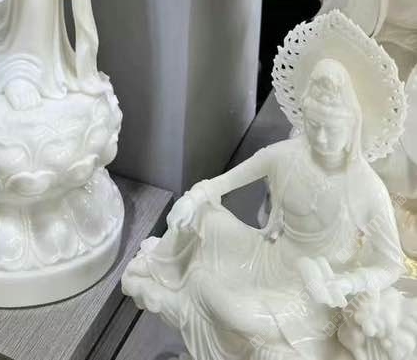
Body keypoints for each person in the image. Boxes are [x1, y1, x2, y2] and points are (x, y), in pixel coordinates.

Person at [123, 55, 403, 359]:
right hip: (266, 255)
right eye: (313, 126)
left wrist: (350, 281)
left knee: (231, 309)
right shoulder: (287, 156)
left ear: (351, 127)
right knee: (201, 216)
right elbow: (222, 183)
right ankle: (161, 269)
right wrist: (194, 198)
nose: (321, 138)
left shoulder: (367, 189)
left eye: (332, 129)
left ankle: (194, 292)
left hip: (307, 297)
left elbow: (391, 264)